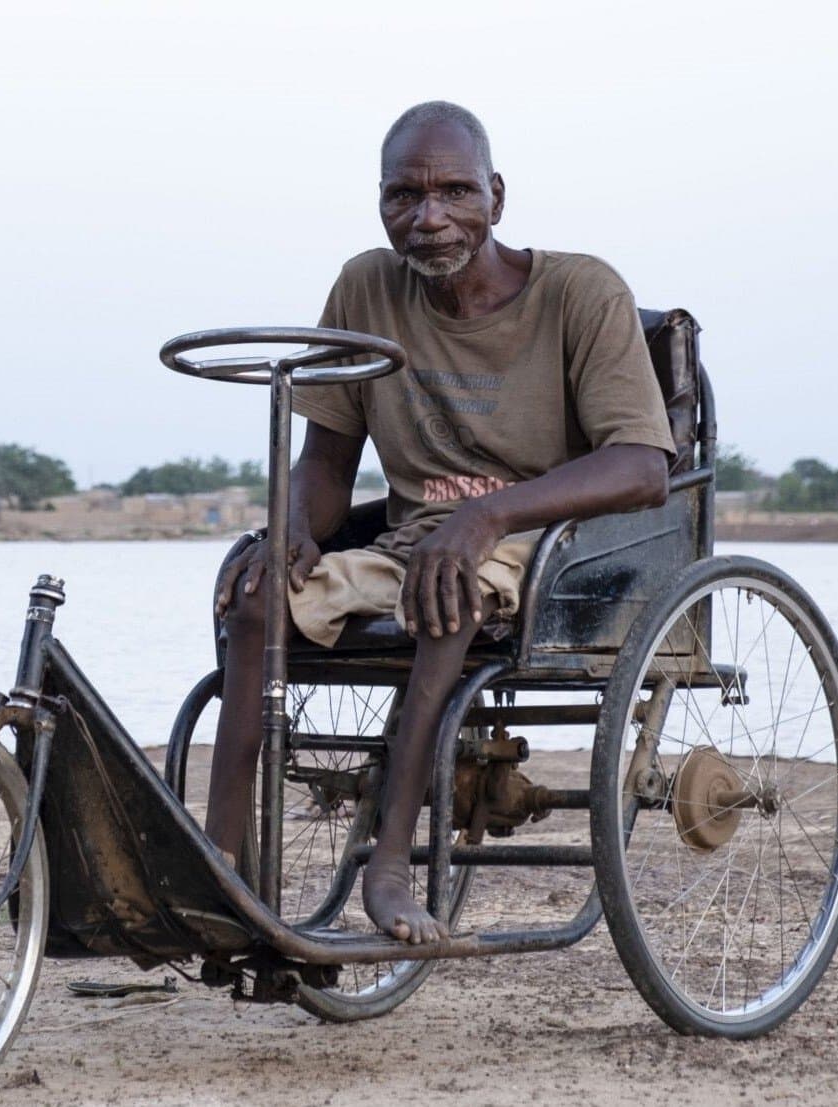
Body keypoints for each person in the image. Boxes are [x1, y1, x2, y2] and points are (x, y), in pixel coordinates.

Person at [204, 101, 675, 945]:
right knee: (253, 600)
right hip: (407, 540)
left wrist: (486, 515)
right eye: (403, 197)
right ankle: (218, 869)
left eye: (454, 192)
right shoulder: (363, 286)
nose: (428, 218)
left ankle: (389, 867)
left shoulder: (580, 290)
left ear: (495, 196)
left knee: (445, 587)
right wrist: (287, 533)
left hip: (542, 549)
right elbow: (325, 462)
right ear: (380, 204)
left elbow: (642, 466)